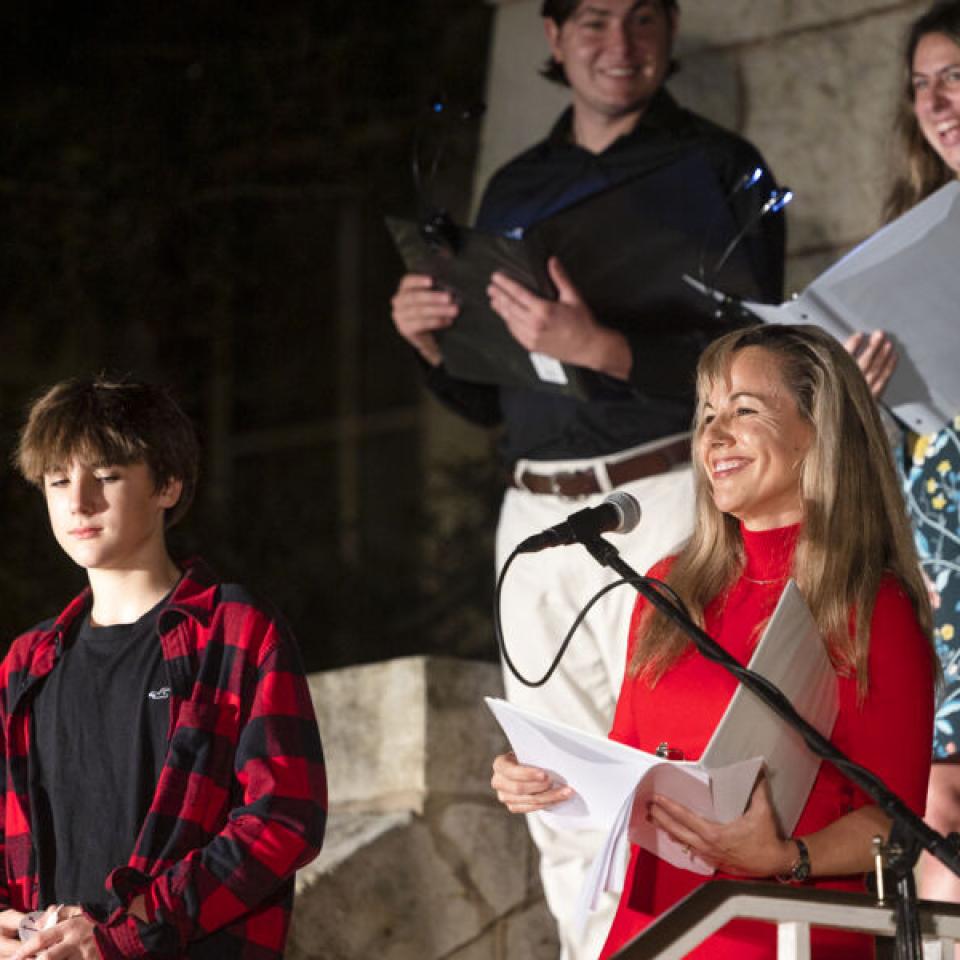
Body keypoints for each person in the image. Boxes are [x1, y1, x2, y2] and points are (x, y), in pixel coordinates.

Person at [392, 1, 785, 953]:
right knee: (556, 785)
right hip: (534, 509)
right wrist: (430, 348)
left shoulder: (726, 166)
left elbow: (765, 355)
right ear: (554, 37)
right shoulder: (520, 182)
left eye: (643, 19)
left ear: (672, 32)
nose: (621, 45)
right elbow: (497, 399)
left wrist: (599, 346)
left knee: (694, 761)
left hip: (667, 494)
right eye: (596, 21)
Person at [492, 323, 937, 958]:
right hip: (654, 934)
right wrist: (547, 777)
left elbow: (897, 825)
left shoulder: (869, 602)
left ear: (819, 431)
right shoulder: (670, 588)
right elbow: (628, 762)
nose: (714, 435)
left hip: (784, 932)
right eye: (705, 415)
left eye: (744, 410)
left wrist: (787, 855)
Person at [0, 378, 327, 959]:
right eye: (57, 481)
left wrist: (126, 928)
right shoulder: (27, 664)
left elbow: (284, 817)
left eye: (105, 477)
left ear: (167, 485)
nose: (78, 502)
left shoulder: (234, 629)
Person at [882, 0, 960, 915]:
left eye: (955, 76)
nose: (938, 102)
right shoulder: (909, 232)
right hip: (943, 550)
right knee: (939, 796)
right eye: (922, 86)